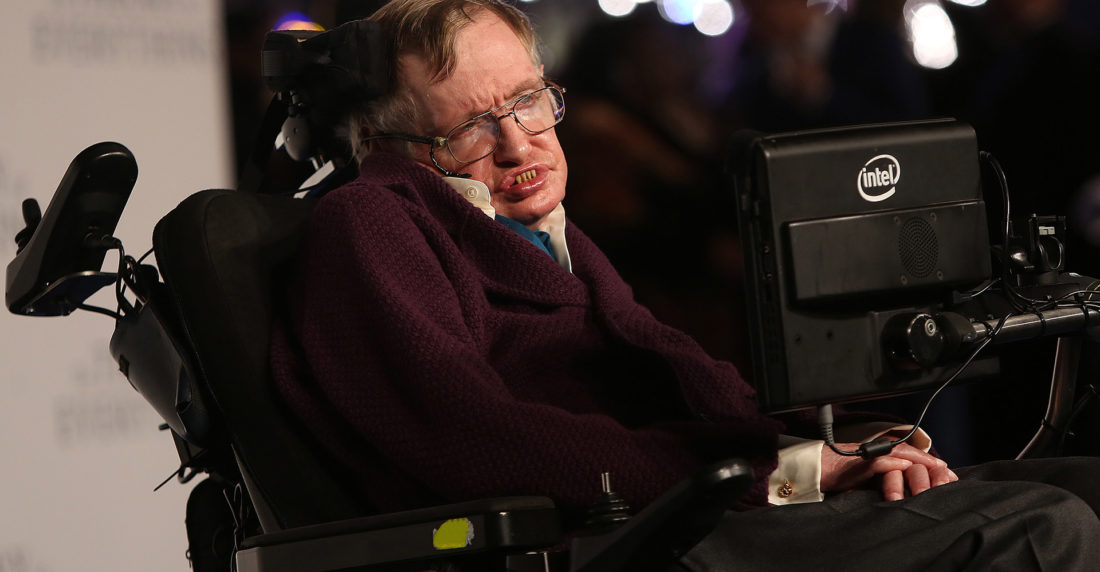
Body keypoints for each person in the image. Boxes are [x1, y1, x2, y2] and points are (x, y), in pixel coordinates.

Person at [269, 1, 1100, 569]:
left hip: (692, 504)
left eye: (528, 103)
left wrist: (844, 444)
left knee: (1084, 486)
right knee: (1045, 528)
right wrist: (787, 470)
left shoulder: (539, 230)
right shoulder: (371, 221)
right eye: (471, 128)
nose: (520, 144)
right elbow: (472, 437)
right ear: (396, 146)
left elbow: (687, 377)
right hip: (617, 539)